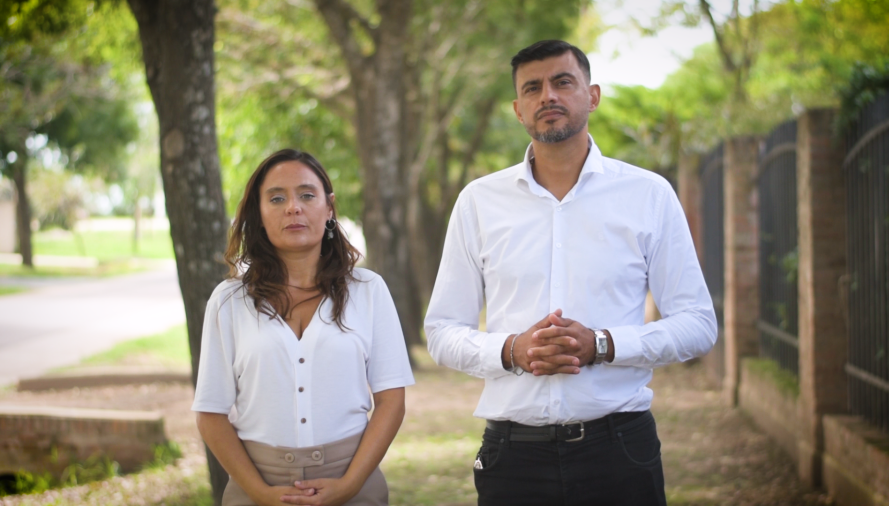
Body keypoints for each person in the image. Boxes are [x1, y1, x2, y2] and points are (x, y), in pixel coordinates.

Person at [424, 40, 717, 506]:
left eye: (563, 82)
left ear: (592, 95)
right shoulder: (478, 202)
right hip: (513, 455)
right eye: (533, 88)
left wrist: (603, 345)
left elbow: (698, 325)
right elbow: (441, 331)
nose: (548, 97)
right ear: (518, 109)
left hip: (620, 449)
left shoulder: (648, 195)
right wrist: (511, 349)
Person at [192, 149, 415, 506]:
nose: (293, 207)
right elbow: (210, 413)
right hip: (256, 485)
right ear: (259, 215)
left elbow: (391, 401)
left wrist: (350, 485)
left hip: (353, 482)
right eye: (277, 198)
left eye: (306, 195)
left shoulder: (368, 290)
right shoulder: (229, 301)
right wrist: (259, 492)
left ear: (329, 208)